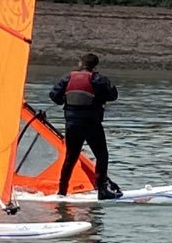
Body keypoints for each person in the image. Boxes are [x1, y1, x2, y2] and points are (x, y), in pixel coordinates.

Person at [49, 53, 120, 199]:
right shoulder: (99, 79)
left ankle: (62, 191)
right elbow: (113, 95)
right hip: (92, 124)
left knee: (70, 157)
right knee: (102, 155)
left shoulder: (67, 78)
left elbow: (54, 96)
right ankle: (102, 190)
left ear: (81, 63)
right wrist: (99, 97)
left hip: (72, 124)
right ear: (95, 66)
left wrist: (65, 100)